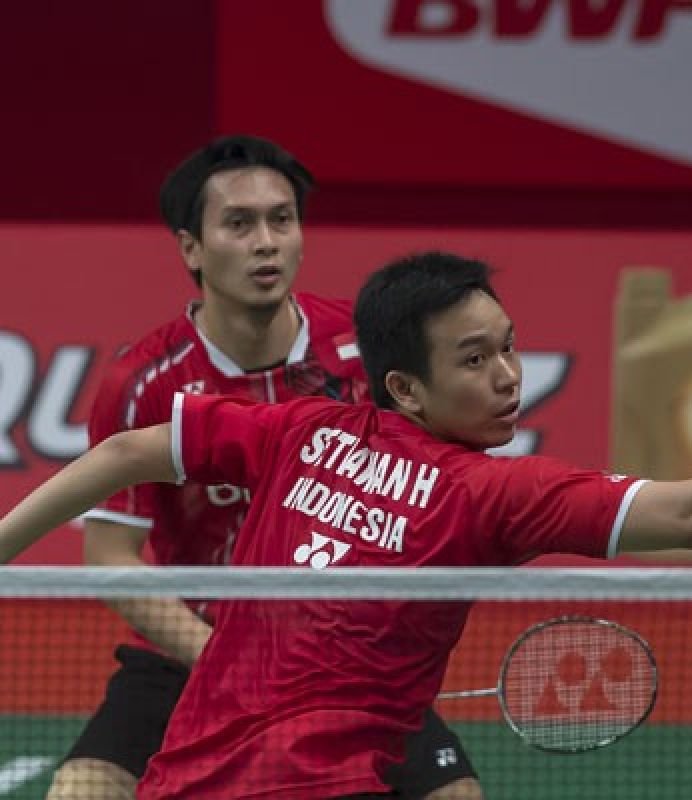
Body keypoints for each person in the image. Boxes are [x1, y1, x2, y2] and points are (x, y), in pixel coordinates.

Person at [0, 251, 692, 799]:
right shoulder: (484, 491)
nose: (508, 375)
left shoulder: (301, 430)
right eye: (475, 360)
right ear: (404, 385)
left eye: (509, 348)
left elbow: (131, 449)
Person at [45, 139, 480, 800]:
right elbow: (110, 554)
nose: (266, 241)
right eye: (240, 224)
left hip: (342, 660)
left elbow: (426, 505)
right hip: (188, 655)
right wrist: (227, 659)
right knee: (81, 791)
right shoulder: (145, 382)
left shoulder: (364, 355)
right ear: (192, 248)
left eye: (282, 219)